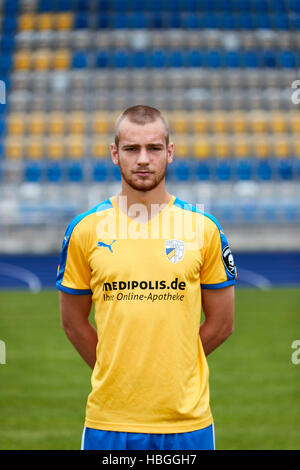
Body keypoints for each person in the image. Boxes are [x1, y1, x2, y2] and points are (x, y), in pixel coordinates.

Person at [56, 105, 237, 451]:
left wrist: (176, 366)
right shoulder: (85, 229)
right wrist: (118, 369)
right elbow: (73, 323)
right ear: (114, 154)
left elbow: (222, 323)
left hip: (187, 422)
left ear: (169, 153)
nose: (143, 159)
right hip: (109, 420)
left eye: (154, 149)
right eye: (131, 149)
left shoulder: (203, 228)